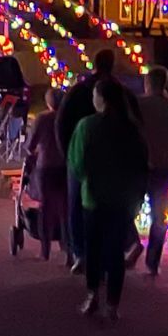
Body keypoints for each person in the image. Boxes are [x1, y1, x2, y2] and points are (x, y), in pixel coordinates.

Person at [67, 79, 149, 322]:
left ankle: (92, 294)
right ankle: (113, 303)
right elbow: (141, 165)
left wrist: (87, 179)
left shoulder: (87, 127)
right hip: (123, 199)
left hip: (94, 197)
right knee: (115, 252)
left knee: (93, 248)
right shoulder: (131, 129)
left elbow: (77, 163)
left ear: (101, 98)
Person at [56, 48, 139, 270]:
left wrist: (67, 154)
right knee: (115, 205)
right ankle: (123, 245)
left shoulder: (80, 93)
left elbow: (61, 122)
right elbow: (135, 126)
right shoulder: (122, 91)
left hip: (82, 158)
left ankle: (81, 253)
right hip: (115, 161)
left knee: (76, 205)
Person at [137, 66, 168, 277]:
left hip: (140, 165)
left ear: (147, 82)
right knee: (159, 217)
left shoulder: (138, 105)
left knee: (127, 209)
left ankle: (132, 245)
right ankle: (152, 261)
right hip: (164, 167)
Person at [24, 87, 70, 260]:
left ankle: (45, 250)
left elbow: (30, 145)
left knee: (46, 208)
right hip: (65, 166)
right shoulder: (68, 118)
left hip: (46, 166)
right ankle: (68, 249)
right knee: (66, 209)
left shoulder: (42, 119)